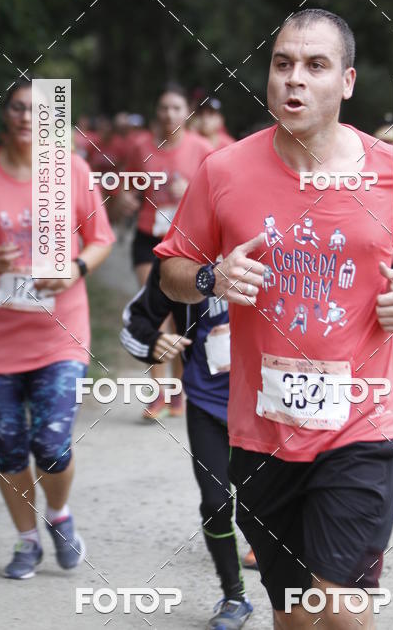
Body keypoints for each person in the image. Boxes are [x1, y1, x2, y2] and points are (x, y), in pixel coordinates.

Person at [156, 8, 393, 629]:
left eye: (315, 66)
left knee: (339, 607)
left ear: (347, 82)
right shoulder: (223, 171)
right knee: (293, 617)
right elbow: (172, 270)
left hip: (364, 420)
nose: (294, 79)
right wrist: (213, 277)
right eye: (282, 63)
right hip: (263, 432)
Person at [0, 79, 115, 580]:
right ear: (6, 116)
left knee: (53, 443)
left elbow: (100, 238)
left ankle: (59, 516)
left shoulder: (73, 170)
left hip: (60, 333)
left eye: (36, 109)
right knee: (10, 448)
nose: (25, 116)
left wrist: (76, 269)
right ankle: (26, 541)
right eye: (16, 107)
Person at [120, 259, 254, 630]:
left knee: (265, 505)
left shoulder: (280, 244)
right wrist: (152, 343)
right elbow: (136, 322)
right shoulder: (184, 259)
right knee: (215, 503)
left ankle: (295, 593)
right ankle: (234, 596)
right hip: (207, 401)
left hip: (268, 405)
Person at [126, 83, 213, 420]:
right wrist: (128, 196)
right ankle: (157, 392)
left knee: (180, 318)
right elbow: (129, 184)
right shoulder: (140, 146)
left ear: (186, 114)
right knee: (157, 313)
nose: (169, 114)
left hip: (186, 241)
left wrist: (188, 190)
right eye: (163, 108)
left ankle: (178, 390)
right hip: (149, 237)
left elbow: (215, 194)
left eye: (176, 108)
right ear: (156, 112)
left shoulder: (202, 148)